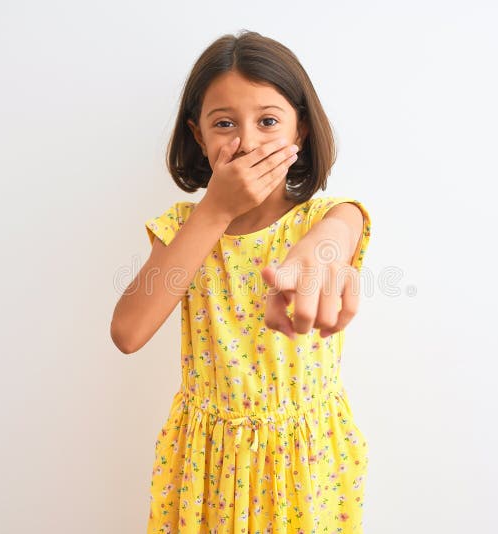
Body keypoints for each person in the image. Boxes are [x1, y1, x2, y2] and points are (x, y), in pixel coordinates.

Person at [111, 29, 373, 534]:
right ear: (198, 135)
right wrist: (215, 210)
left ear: (300, 132)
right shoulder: (181, 229)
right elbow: (128, 331)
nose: (247, 142)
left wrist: (315, 254)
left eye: (268, 121)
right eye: (225, 124)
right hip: (205, 464)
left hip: (303, 464)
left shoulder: (327, 216)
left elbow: (338, 235)